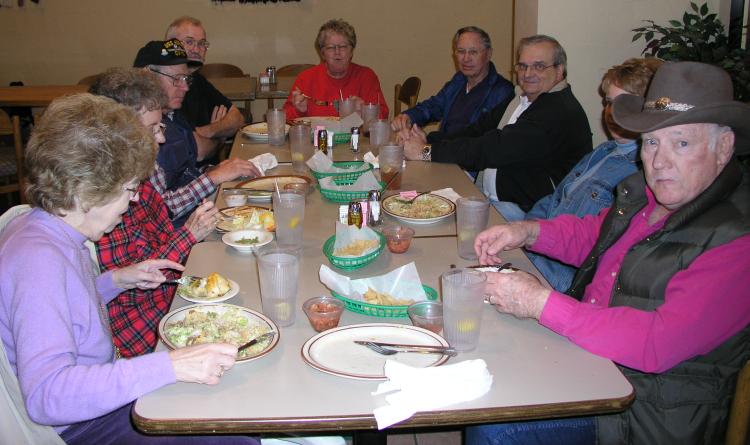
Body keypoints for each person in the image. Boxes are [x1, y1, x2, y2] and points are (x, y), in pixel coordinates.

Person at [470, 61, 750, 444]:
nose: (659, 161)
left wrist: (539, 302)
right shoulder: (651, 197)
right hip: (596, 362)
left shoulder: (737, 241)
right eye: (651, 142)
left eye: (681, 143)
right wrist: (526, 231)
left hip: (646, 411)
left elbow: (656, 342)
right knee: (492, 357)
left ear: (723, 147)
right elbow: (592, 234)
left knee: (497, 426)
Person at [0, 93, 258, 444]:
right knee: (232, 434)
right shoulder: (38, 262)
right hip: (81, 425)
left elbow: (65, 306)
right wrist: (171, 365)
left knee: (229, 400)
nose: (135, 199)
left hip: (95, 400)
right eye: (129, 188)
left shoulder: (48, 228)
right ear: (88, 188)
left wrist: (114, 281)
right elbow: (48, 396)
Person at [90, 67, 219, 357]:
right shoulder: (106, 202)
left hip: (172, 302)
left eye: (160, 128)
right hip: (144, 333)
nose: (161, 139)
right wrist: (189, 235)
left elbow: (160, 246)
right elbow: (136, 285)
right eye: (152, 129)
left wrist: (203, 279)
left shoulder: (144, 181)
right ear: (118, 134)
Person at [508, 57, 662, 292]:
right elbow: (555, 198)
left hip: (558, 277)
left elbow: (598, 252)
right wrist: (526, 229)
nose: (611, 113)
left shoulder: (640, 173)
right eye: (609, 102)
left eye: (624, 105)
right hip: (535, 249)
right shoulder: (604, 151)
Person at [401, 35, 592, 216]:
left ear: (559, 70)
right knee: (410, 200)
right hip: (489, 196)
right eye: (523, 66)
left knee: (429, 217)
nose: (528, 74)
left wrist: (425, 152)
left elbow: (491, 148)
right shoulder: (520, 98)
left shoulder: (557, 110)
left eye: (539, 66)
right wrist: (428, 140)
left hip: (528, 213)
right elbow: (477, 130)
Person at [133, 39, 260, 227]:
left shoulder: (173, 116)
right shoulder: (139, 133)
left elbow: (187, 170)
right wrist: (213, 177)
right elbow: (159, 210)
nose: (185, 87)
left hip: (200, 212)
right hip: (180, 232)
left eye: (186, 79)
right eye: (176, 79)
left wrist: (214, 170)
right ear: (147, 77)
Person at [390, 26, 513, 138]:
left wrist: (427, 146)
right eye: (461, 51)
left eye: (473, 52)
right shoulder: (459, 80)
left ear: (489, 54)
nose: (466, 59)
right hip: (440, 151)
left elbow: (477, 143)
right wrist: (408, 117)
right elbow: (434, 106)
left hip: (463, 159)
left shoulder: (503, 92)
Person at [165, 16, 246, 163]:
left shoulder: (198, 80)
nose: (197, 49)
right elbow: (197, 151)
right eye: (189, 42)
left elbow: (238, 118)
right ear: (170, 46)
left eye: (202, 44)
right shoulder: (164, 87)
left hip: (209, 171)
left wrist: (208, 131)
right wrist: (220, 136)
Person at [284, 19, 389, 120]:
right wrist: (299, 110)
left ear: (351, 51)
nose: (337, 52)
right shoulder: (305, 78)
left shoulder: (367, 76)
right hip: (317, 137)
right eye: (330, 47)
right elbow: (286, 117)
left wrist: (365, 110)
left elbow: (383, 115)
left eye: (343, 46)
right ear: (323, 53)